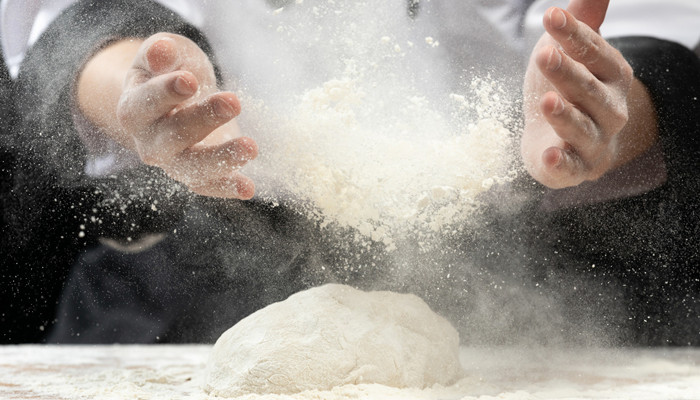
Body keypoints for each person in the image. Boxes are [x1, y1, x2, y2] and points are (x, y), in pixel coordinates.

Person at [3, 0, 699, 344]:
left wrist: (600, 108)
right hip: (206, 243)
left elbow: (654, 37)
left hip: (537, 232)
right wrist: (152, 93)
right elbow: (71, 23)